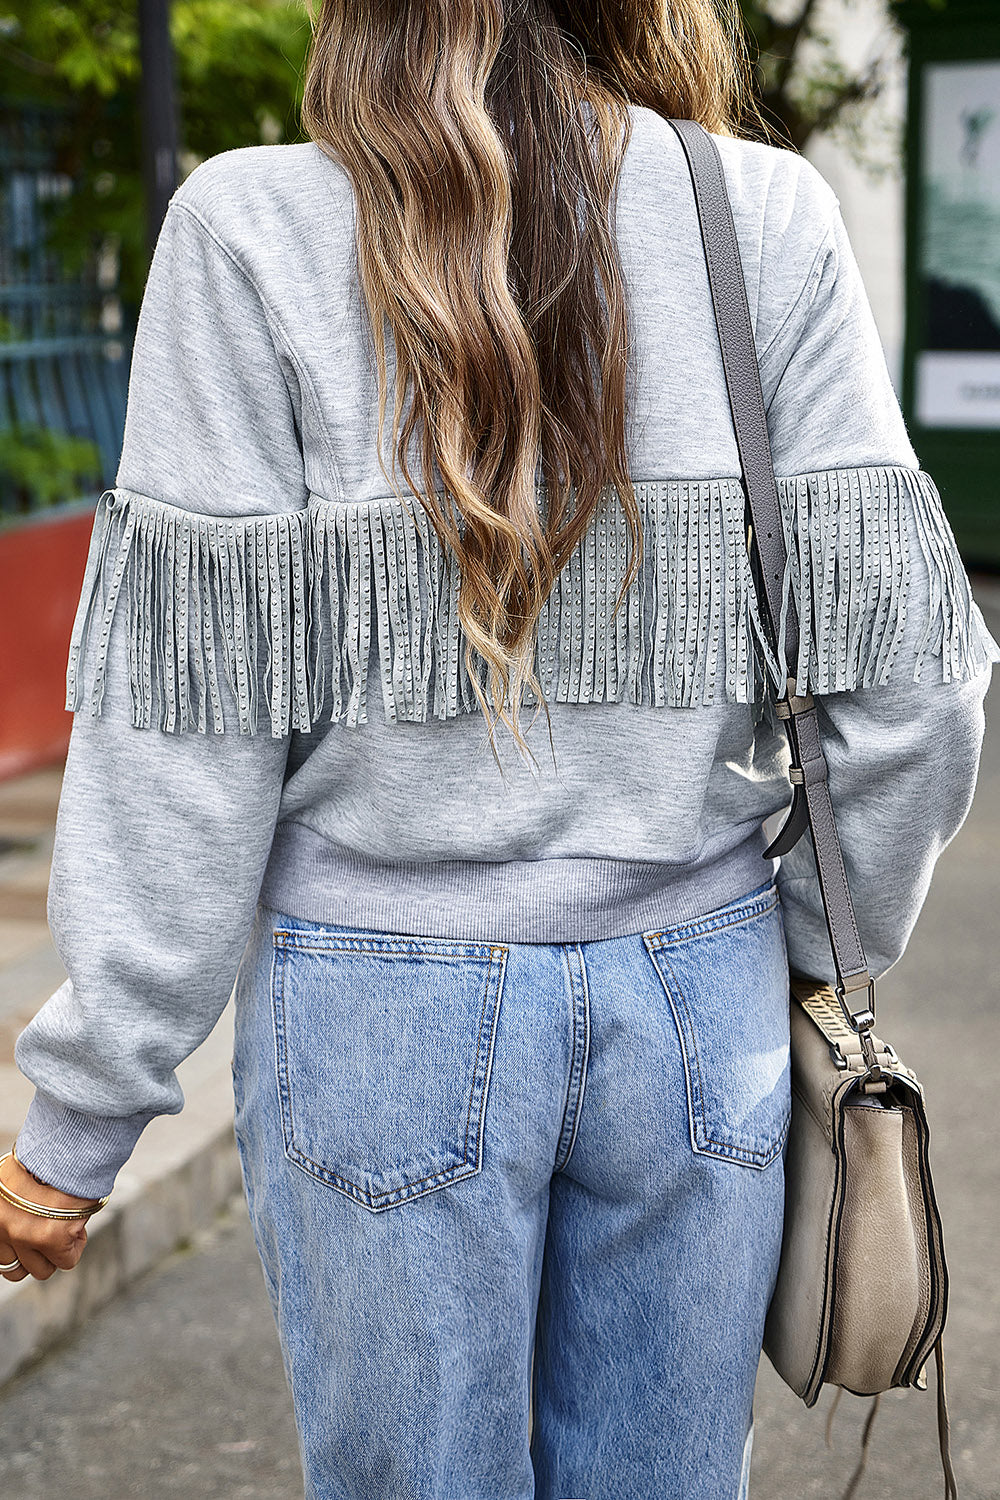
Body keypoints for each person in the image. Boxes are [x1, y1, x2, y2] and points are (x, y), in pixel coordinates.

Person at [2, 4, 998, 1497]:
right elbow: (916, 688)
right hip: (695, 986)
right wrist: (792, 939)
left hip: (371, 996)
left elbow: (184, 733)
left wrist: (84, 1109)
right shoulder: (761, 215)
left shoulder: (250, 228)